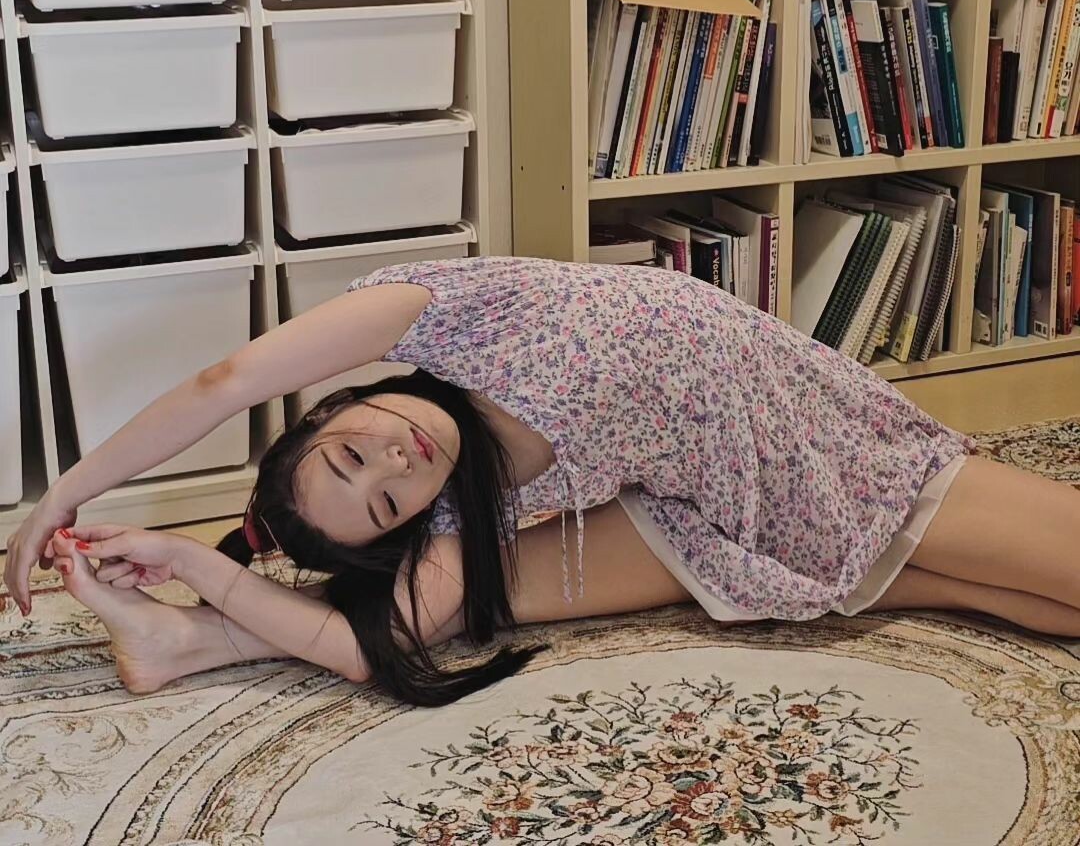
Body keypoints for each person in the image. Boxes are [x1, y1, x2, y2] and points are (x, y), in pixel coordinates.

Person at [5, 256, 1080, 707]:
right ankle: (192, 637)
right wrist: (195, 563)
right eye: (385, 503)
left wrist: (62, 495)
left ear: (328, 408)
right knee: (1027, 590)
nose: (395, 463)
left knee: (1042, 591)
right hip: (740, 508)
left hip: (835, 449)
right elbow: (374, 648)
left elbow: (224, 380)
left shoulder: (424, 314)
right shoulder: (468, 509)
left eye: (351, 452)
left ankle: (199, 638)